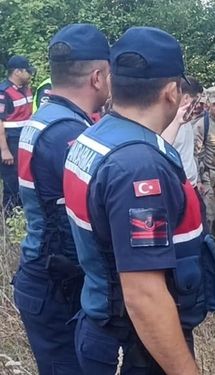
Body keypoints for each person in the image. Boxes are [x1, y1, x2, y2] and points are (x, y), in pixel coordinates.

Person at [63, 26, 215, 374]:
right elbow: (143, 295)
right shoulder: (139, 165)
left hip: (107, 327)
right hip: (133, 345)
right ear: (171, 92)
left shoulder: (98, 136)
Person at [13, 23, 110, 375]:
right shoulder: (68, 135)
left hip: (42, 276)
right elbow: (89, 219)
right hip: (55, 287)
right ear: (98, 77)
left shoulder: (46, 119)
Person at [0, 55, 35, 213]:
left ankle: (20, 215)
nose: (30, 75)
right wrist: (4, 150)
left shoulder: (26, 89)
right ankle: (8, 219)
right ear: (17, 72)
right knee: (11, 184)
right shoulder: (4, 92)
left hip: (24, 141)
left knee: (24, 180)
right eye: (27, 71)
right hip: (10, 142)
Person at [193, 86, 215, 237]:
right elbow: (195, 154)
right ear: (208, 104)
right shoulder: (201, 125)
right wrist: (199, 180)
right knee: (211, 217)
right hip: (209, 175)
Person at [161, 76, 203, 187]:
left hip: (190, 183)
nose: (197, 106)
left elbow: (190, 153)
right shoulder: (167, 120)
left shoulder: (187, 119)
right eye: (196, 101)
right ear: (186, 98)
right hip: (177, 184)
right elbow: (162, 149)